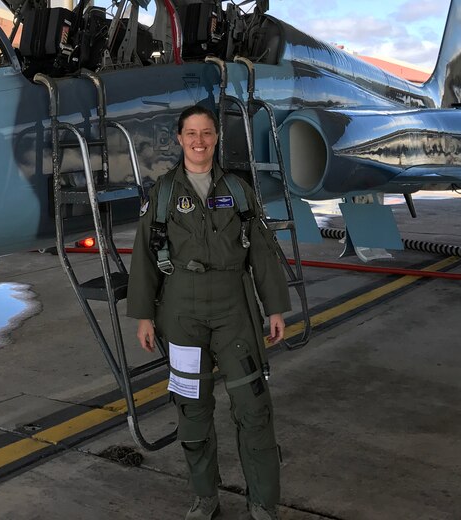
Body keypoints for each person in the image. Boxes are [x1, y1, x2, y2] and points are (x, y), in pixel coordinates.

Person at [126, 105, 291, 520]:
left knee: (253, 407)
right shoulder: (162, 194)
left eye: (207, 133)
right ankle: (205, 497)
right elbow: (144, 259)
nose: (199, 141)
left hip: (234, 305)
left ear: (216, 138)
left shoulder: (238, 191)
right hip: (181, 310)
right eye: (191, 133)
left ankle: (262, 503)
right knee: (192, 410)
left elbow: (265, 256)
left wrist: (275, 308)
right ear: (179, 139)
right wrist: (144, 315)